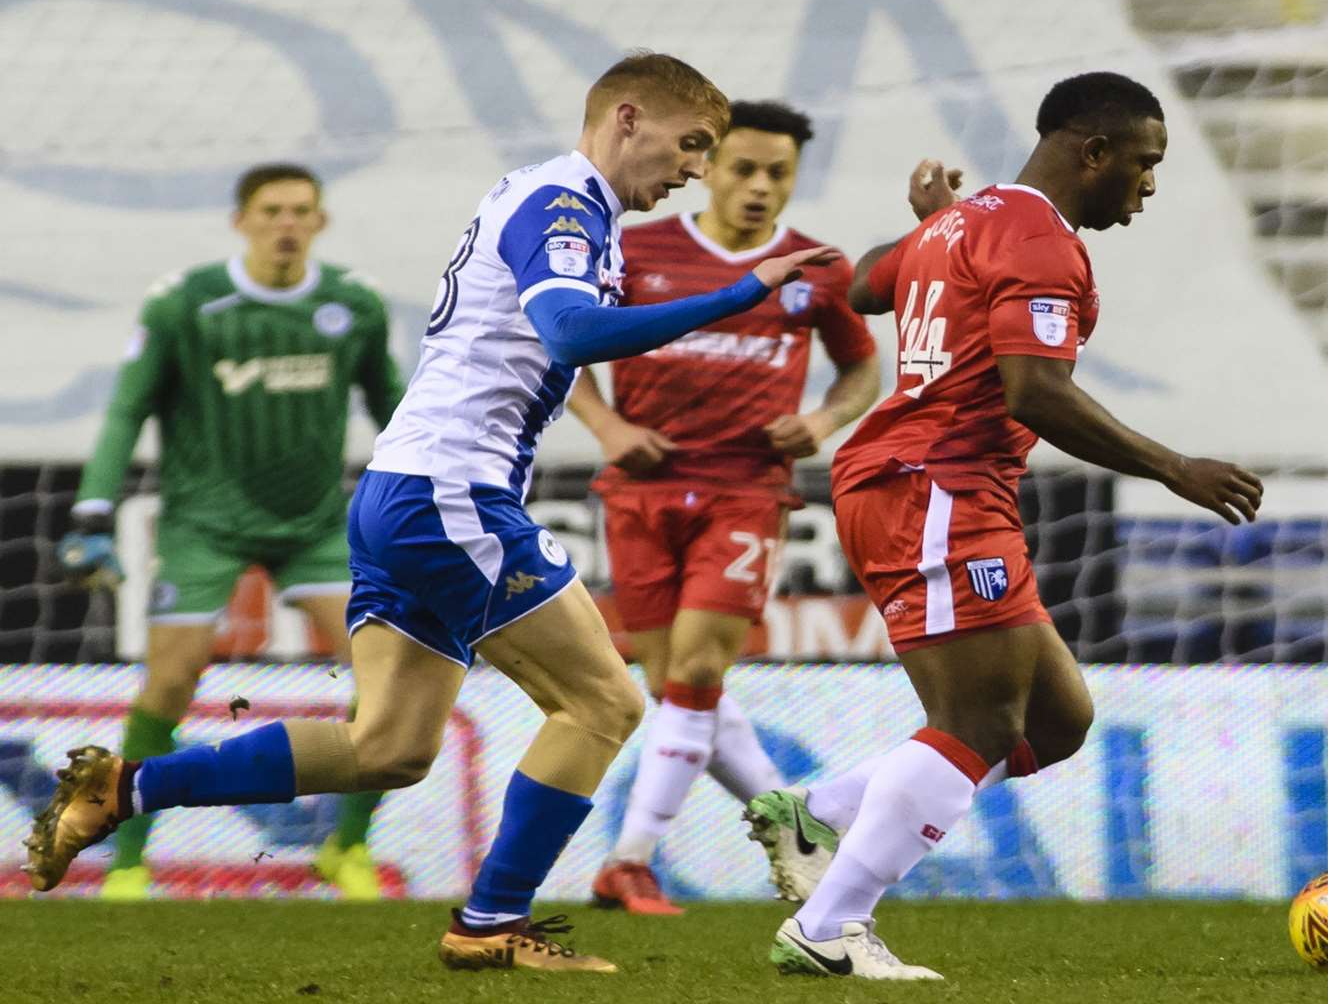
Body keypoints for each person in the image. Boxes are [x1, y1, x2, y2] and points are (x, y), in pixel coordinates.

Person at [26, 51, 837, 974]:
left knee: (388, 747)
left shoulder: (558, 201)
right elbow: (571, 331)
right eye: (690, 144)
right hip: (450, 495)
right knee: (605, 700)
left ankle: (123, 787)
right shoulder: (566, 203)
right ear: (625, 117)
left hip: (404, 492)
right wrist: (745, 289)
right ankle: (491, 924)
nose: (696, 169)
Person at [745, 72, 1263, 980]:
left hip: (931, 481)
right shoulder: (1038, 242)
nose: (1149, 185)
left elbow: (867, 284)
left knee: (1057, 720)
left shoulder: (969, 220)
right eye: (1144, 164)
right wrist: (1176, 466)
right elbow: (1037, 392)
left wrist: (933, 230)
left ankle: (818, 813)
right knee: (978, 721)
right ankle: (830, 925)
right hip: (935, 483)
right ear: (1091, 151)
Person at [56, 162, 404, 901]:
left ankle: (346, 846)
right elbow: (127, 410)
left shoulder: (355, 305)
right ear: (241, 221)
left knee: (382, 676)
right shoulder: (186, 303)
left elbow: (397, 411)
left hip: (314, 526)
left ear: (320, 223)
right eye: (272, 210)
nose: (287, 223)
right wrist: (93, 509)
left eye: (301, 211)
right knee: (174, 677)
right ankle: (128, 863)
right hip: (204, 525)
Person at [570, 100, 880, 916]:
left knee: (700, 671)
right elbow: (561, 345)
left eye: (779, 173)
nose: (760, 186)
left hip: (746, 489)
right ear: (707, 166)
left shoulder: (817, 269)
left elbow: (862, 372)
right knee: (676, 686)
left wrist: (820, 420)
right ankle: (796, 830)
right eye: (743, 167)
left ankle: (629, 859)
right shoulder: (636, 250)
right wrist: (607, 425)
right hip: (639, 490)